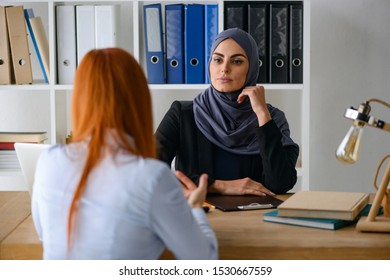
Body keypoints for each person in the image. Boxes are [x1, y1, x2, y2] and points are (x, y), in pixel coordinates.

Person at [31, 48, 218, 260]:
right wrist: (194, 209)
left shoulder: (48, 161)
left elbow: (43, 234)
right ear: (139, 101)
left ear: (79, 99)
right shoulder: (151, 176)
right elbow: (204, 259)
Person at [156, 28, 299, 196]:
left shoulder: (272, 118)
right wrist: (220, 186)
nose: (224, 69)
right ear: (209, 64)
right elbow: (149, 173)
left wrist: (262, 113)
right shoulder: (182, 114)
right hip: (198, 214)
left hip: (253, 217)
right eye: (218, 60)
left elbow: (280, 183)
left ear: (251, 67)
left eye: (237, 61)